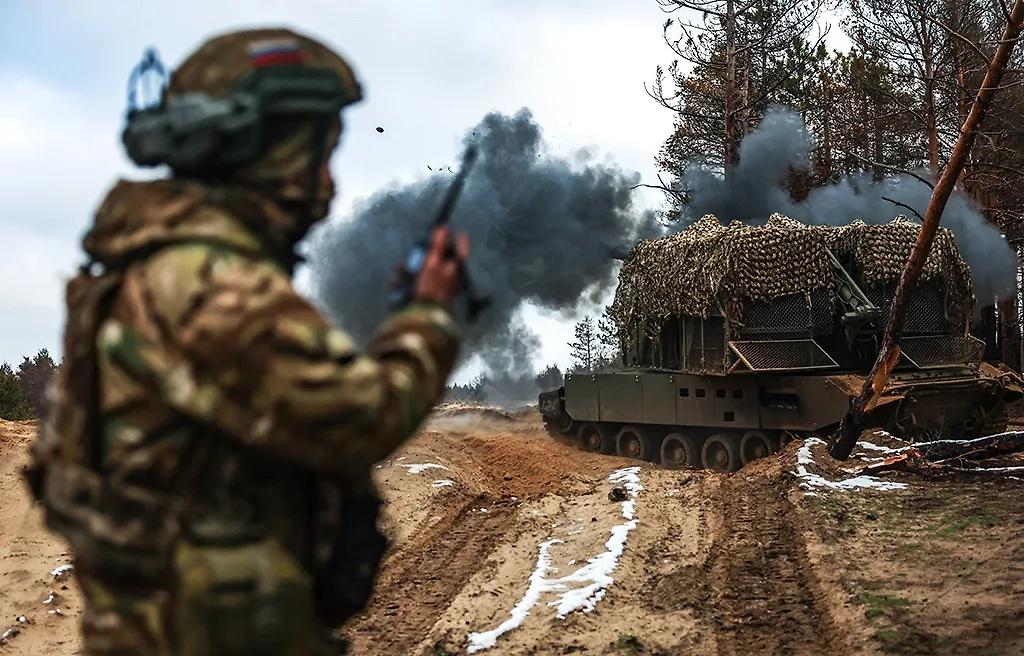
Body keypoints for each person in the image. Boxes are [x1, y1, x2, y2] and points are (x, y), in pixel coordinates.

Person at [23, 27, 468, 655]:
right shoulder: (212, 284)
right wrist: (429, 316)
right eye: (318, 153)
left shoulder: (142, 266)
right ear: (268, 150)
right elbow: (365, 417)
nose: (328, 181)